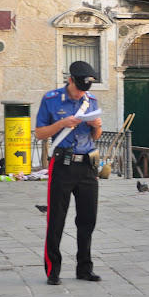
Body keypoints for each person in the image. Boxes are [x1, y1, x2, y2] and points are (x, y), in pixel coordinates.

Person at [35, 61, 103, 285]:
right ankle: (53, 270)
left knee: (87, 220)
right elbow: (39, 133)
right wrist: (62, 123)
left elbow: (96, 137)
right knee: (56, 219)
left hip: (87, 165)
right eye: (79, 87)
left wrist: (97, 125)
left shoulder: (90, 101)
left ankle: (84, 268)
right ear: (70, 80)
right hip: (62, 165)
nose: (81, 93)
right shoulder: (51, 99)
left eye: (86, 89)